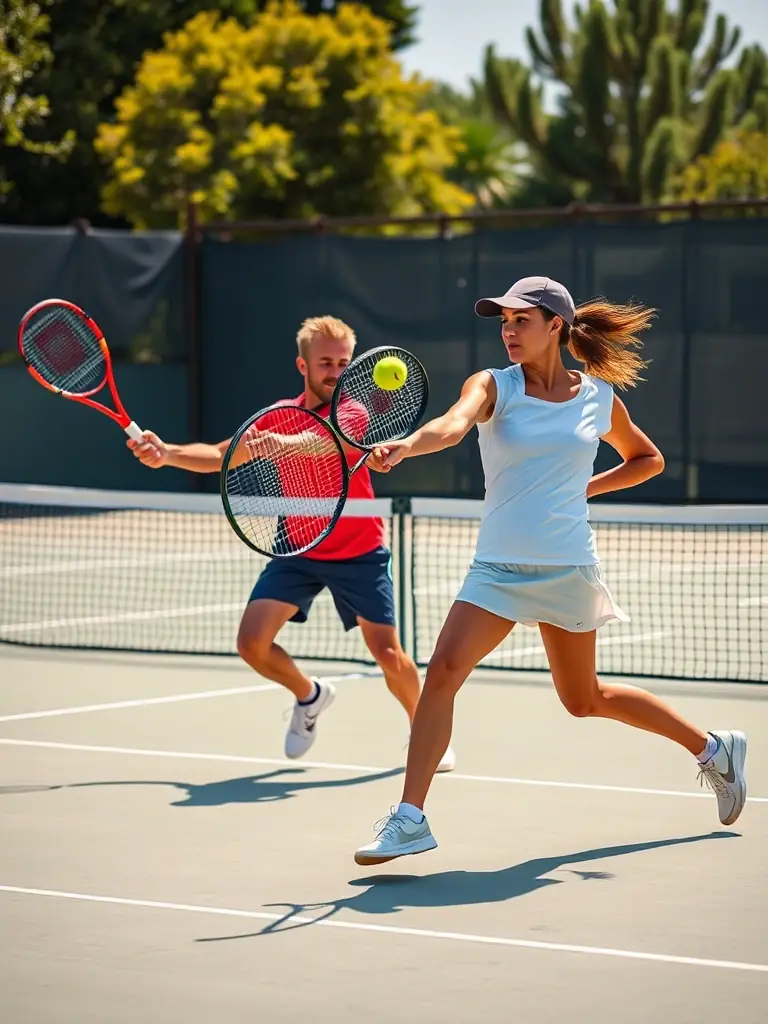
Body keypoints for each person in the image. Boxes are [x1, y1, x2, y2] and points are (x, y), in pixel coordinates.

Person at [353, 276, 746, 866]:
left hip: (567, 566)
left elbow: (647, 459)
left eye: (521, 321)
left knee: (584, 700)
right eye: (503, 322)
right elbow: (454, 424)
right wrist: (409, 444)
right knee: (442, 673)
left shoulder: (598, 398)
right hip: (497, 568)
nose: (508, 331)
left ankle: (712, 748)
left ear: (555, 326)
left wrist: (587, 485)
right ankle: (411, 818)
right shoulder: (493, 385)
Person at [127, 315, 455, 771]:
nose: (335, 372)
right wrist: (168, 455)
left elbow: (328, 444)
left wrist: (278, 445)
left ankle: (427, 732)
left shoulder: (353, 412)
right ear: (303, 365)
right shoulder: (280, 412)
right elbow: (224, 454)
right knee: (252, 644)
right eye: (325, 362)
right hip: (298, 549)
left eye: (343, 363)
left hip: (358, 550)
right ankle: (310, 695)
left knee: (387, 653)